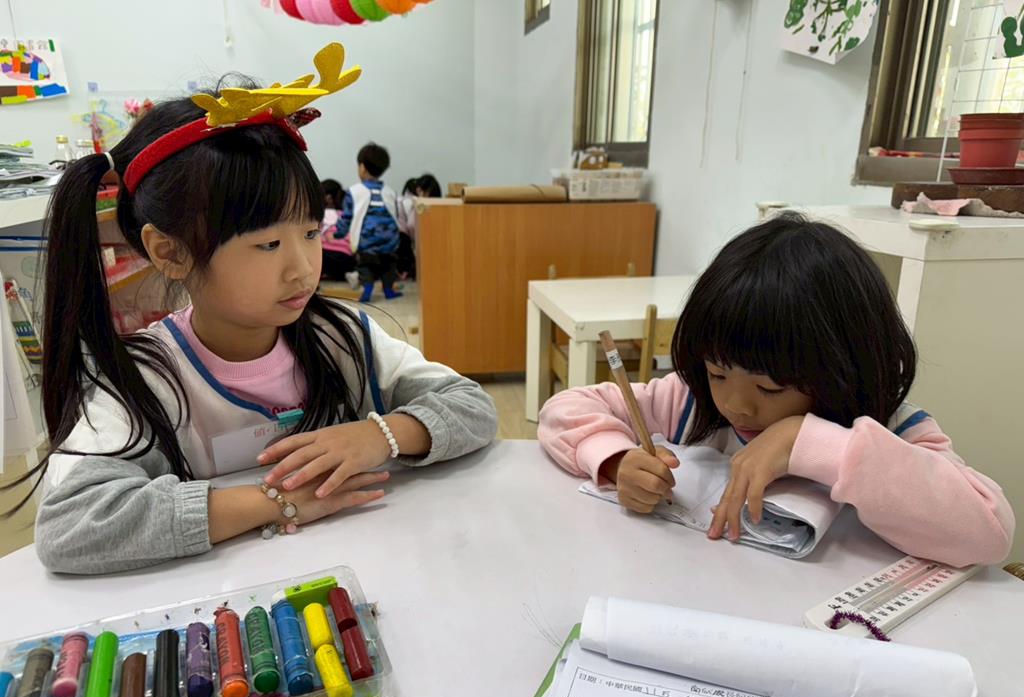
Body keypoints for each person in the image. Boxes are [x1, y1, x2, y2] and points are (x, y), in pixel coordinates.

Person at [22, 71, 497, 574]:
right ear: (171, 252)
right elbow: (68, 525)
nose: (303, 269)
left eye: (311, 233)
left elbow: (472, 406)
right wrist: (275, 501)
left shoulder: (341, 336)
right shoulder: (145, 378)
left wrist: (381, 435)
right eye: (268, 244)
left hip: (365, 573)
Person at [538, 214, 1014, 568]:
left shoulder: (893, 427)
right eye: (717, 373)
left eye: (769, 387)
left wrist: (812, 443)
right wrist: (614, 459)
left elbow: (989, 532)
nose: (735, 404)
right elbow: (564, 409)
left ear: (841, 366)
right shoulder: (691, 404)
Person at [334, 143, 401, 302]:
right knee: (388, 265)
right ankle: (388, 289)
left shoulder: (354, 191)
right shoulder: (390, 192)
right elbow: (395, 215)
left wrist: (338, 233)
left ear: (362, 167)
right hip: (390, 241)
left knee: (365, 266)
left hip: (367, 241)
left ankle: (367, 289)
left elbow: (347, 217)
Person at [318, 178, 355, 284]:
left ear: (328, 198)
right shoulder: (346, 216)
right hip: (346, 262)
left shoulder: (319, 215)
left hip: (325, 258)